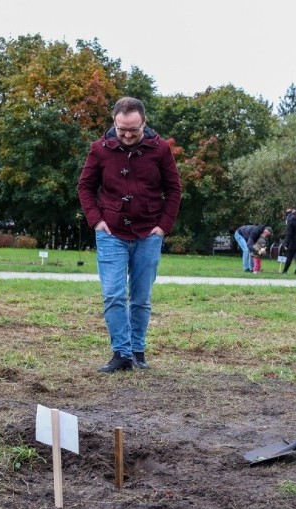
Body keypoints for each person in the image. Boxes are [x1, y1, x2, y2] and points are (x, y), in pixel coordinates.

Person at [77, 96, 182, 373]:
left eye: (133, 130)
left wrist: (163, 227)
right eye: (122, 129)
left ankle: (138, 350)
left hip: (149, 233)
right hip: (111, 232)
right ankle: (121, 353)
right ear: (114, 122)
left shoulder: (160, 149)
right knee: (113, 294)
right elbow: (85, 187)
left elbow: (174, 190)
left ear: (143, 123)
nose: (126, 135)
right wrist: (96, 221)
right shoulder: (99, 149)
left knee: (141, 298)